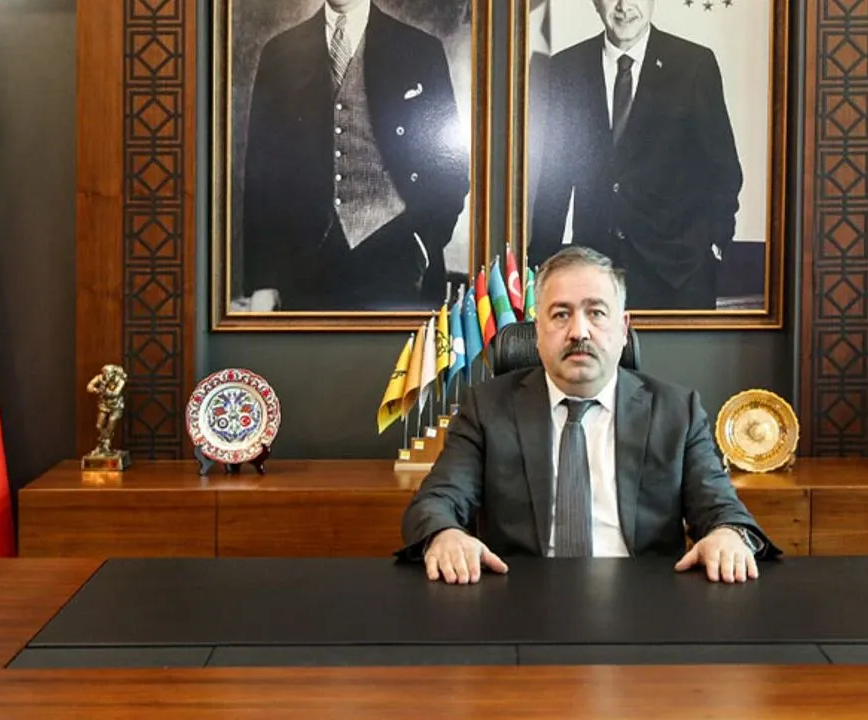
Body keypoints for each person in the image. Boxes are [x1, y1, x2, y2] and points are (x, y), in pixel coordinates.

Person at [399, 246, 780, 584]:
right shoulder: (486, 408)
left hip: (647, 601)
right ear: (537, 331)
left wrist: (727, 534)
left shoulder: (677, 411)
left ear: (623, 328)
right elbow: (436, 501)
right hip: (521, 601)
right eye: (560, 314)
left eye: (596, 313)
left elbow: (721, 508)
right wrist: (446, 535)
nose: (578, 331)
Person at [241, 0, 470, 311]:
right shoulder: (279, 53)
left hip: (398, 261)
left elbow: (451, 170)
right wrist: (264, 280)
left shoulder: (420, 50)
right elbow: (261, 176)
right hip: (305, 268)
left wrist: (424, 243)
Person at [528, 0, 742, 311]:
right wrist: (540, 264)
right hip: (595, 275)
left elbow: (723, 170)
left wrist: (714, 243)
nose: (624, 6)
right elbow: (554, 179)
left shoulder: (694, 64)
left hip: (678, 275)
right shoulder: (567, 67)